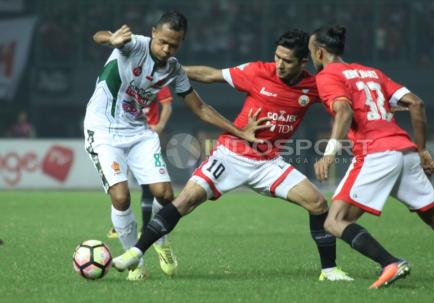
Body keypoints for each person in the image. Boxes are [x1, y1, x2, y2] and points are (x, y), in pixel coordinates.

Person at [112, 29, 353, 281]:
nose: (279, 64)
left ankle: (329, 270)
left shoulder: (313, 86)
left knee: (318, 204)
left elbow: (342, 103)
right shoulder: (258, 71)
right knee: (184, 201)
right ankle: (136, 252)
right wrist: (172, 71)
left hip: (268, 163)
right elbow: (212, 74)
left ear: (303, 62)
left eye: (287, 61)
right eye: (277, 57)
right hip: (230, 156)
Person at [309, 25, 434, 288]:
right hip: (405, 153)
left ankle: (390, 263)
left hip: (376, 154)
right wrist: (422, 148)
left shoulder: (327, 75)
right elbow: (416, 103)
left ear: (320, 51)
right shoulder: (372, 73)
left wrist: (329, 154)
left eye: (311, 51)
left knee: (334, 222)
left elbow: (344, 111)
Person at [84, 10, 265, 281]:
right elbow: (98, 36)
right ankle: (136, 263)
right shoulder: (135, 44)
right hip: (102, 130)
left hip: (139, 132)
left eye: (174, 44)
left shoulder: (174, 69)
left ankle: (160, 241)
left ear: (182, 43)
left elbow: (200, 108)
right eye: (163, 42)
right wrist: (111, 39)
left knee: (166, 195)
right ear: (154, 33)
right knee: (121, 197)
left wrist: (240, 131)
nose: (167, 49)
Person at [106, 86, 173, 240]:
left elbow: (167, 104)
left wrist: (160, 126)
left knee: (149, 184)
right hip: (124, 135)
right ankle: (121, 225)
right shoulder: (126, 76)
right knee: (119, 182)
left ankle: (146, 226)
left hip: (147, 136)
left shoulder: (157, 78)